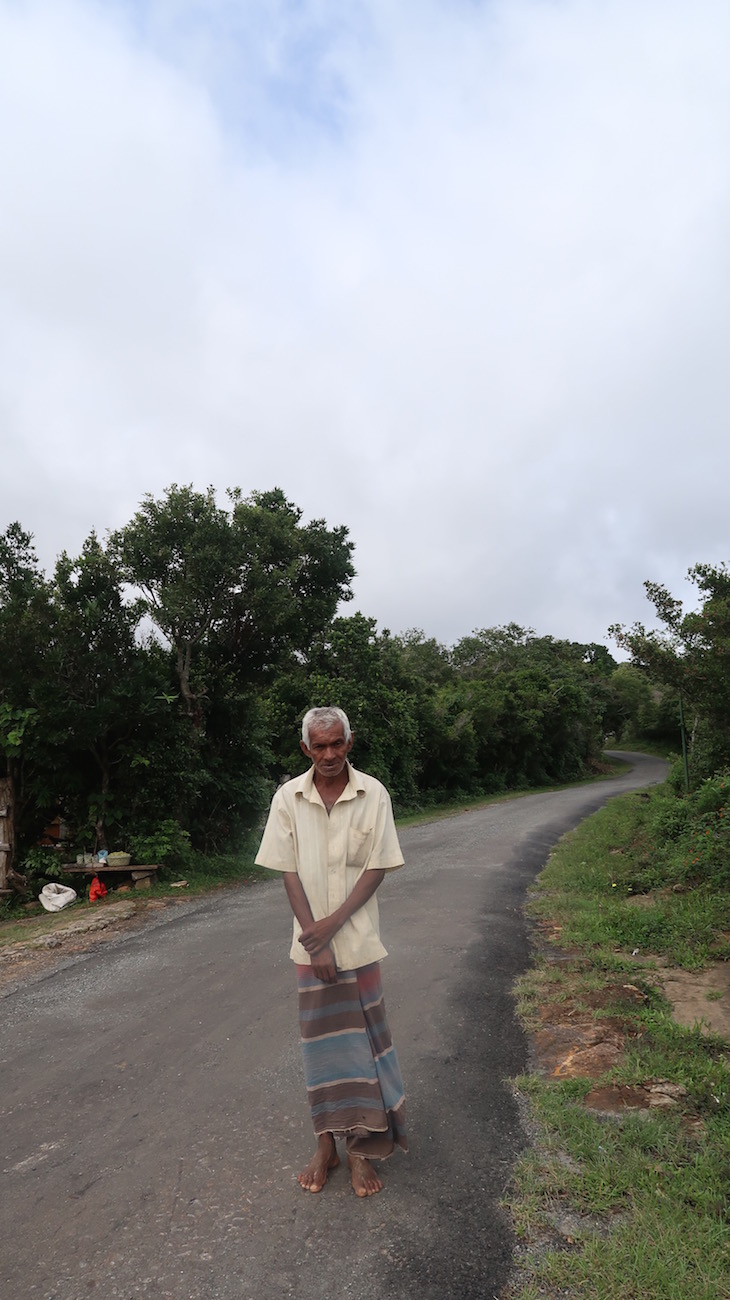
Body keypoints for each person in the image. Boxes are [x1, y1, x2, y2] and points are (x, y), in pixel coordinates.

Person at [255, 705, 407, 1197]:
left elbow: (378, 867)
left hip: (359, 945)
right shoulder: (288, 798)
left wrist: (331, 928)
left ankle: (361, 1150)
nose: (328, 754)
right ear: (305, 749)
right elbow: (288, 871)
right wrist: (313, 939)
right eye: (318, 746)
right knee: (320, 1050)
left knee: (362, 1046)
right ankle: (325, 1146)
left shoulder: (373, 793)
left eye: (336, 743)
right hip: (310, 952)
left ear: (349, 741)